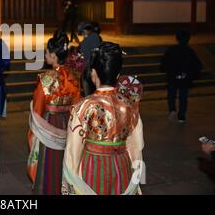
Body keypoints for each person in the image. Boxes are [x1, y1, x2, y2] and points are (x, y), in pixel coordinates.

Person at [62, 42, 144, 195]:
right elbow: (137, 146)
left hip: (92, 166)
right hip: (122, 165)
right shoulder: (130, 104)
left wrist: (69, 185)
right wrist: (136, 176)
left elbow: (73, 151)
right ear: (118, 74)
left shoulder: (84, 106)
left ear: (93, 73)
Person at [27, 30, 81, 195]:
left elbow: (37, 108)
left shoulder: (46, 79)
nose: (45, 54)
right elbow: (77, 105)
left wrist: (33, 131)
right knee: (65, 159)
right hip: (67, 122)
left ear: (53, 56)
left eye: (47, 52)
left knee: (48, 161)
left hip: (49, 123)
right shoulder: (73, 77)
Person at [160, 31, 202, 123]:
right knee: (183, 96)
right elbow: (197, 65)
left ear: (177, 39)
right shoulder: (190, 51)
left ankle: (172, 110)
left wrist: (165, 70)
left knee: (171, 94)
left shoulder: (171, 49)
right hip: (185, 77)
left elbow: (164, 62)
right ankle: (181, 116)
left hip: (172, 76)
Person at [78, 22, 102, 96]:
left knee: (88, 94)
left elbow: (85, 56)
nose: (83, 34)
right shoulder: (97, 37)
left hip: (89, 70)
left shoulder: (85, 42)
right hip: (99, 68)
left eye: (83, 32)